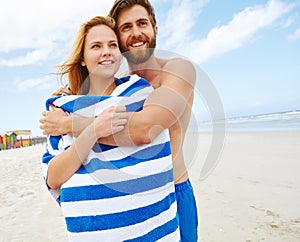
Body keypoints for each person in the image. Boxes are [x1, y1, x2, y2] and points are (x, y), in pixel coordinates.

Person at [40, 0, 198, 241]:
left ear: (155, 29)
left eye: (142, 23)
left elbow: (146, 129)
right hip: (135, 201)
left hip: (174, 191)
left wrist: (69, 124)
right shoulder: (119, 88)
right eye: (126, 27)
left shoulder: (177, 70)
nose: (136, 33)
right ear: (120, 38)